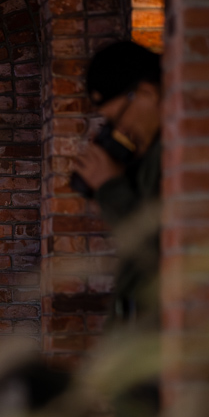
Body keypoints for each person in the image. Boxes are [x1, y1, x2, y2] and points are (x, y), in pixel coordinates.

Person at [72, 39, 163, 329]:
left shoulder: (178, 154)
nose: (119, 131)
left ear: (147, 93)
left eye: (116, 119)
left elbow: (157, 244)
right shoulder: (149, 155)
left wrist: (111, 186)